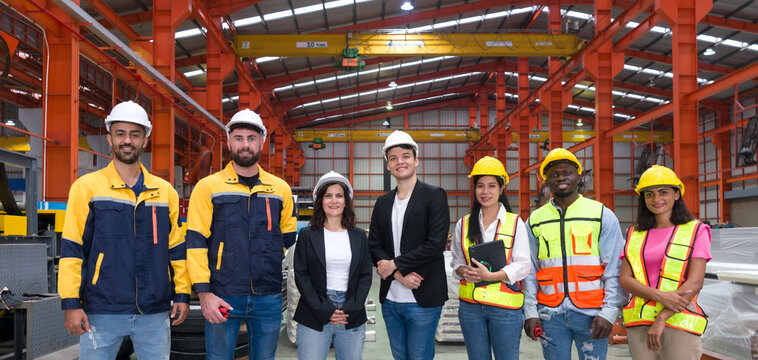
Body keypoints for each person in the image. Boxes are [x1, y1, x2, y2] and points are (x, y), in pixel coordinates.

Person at [58, 100, 190, 359]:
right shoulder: (87, 188)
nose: (127, 140)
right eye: (120, 133)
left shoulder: (165, 193)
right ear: (109, 138)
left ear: (145, 140)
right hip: (102, 309)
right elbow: (73, 249)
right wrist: (71, 304)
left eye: (134, 134)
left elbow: (176, 248)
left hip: (154, 311)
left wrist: (183, 293)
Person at [185, 108, 297, 360]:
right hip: (222, 295)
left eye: (251, 138)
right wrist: (203, 293)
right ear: (228, 141)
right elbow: (195, 242)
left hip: (267, 297)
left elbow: (290, 245)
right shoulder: (208, 187)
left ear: (262, 142)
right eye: (238, 138)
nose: (245, 145)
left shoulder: (280, 189)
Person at [522, 148, 625, 360]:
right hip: (550, 315)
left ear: (579, 176)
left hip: (593, 315)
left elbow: (615, 267)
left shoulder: (601, 215)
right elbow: (529, 271)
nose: (561, 177)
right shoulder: (534, 220)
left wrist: (609, 312)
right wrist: (530, 312)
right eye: (554, 174)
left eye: (566, 172)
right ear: (546, 181)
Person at [368, 130, 450, 360]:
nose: (399, 162)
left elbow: (435, 245)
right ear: (388, 166)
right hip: (391, 300)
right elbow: (373, 245)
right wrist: (397, 275)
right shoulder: (383, 202)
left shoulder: (434, 196)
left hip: (423, 298)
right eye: (393, 158)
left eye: (405, 156)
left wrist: (394, 265)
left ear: (416, 160)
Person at [620, 165, 710, 359]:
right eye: (649, 194)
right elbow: (626, 279)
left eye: (663, 192)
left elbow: (694, 283)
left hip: (679, 319)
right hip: (640, 322)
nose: (656, 199)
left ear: (677, 194)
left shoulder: (696, 230)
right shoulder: (634, 234)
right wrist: (659, 296)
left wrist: (661, 318)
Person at [450, 156, 531, 360]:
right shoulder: (464, 223)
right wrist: (464, 271)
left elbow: (523, 265)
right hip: (471, 309)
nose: (485, 192)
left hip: (505, 310)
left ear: (502, 189)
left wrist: (491, 276)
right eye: (480, 186)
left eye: (492, 186)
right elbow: (457, 262)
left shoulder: (516, 223)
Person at [293, 171, 372, 360]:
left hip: (350, 314)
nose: (334, 201)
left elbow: (365, 275)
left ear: (346, 201)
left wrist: (350, 309)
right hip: (314, 311)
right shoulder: (307, 235)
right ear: (320, 201)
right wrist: (325, 310)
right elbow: (302, 276)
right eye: (328, 196)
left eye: (339, 196)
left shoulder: (359, 236)